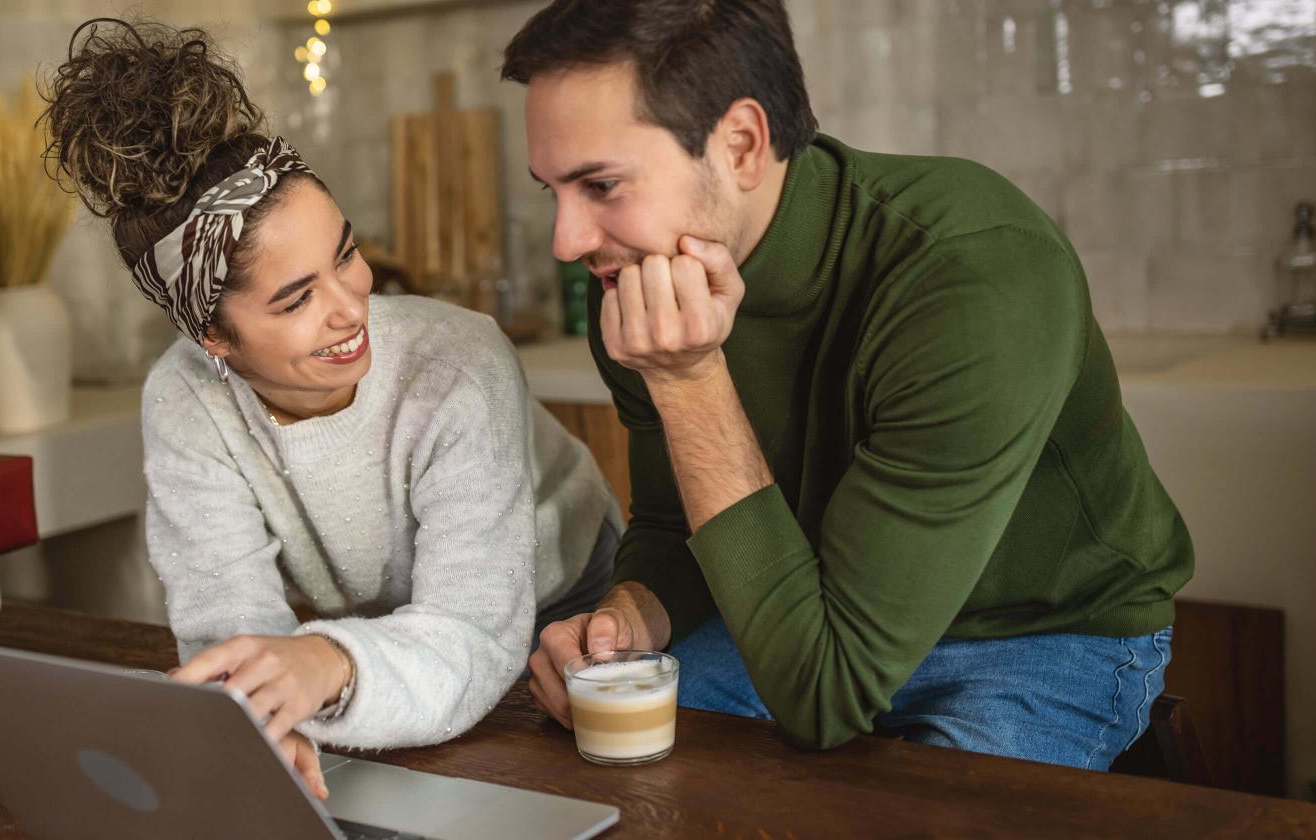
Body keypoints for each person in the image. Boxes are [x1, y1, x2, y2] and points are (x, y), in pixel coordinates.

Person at [507, 0, 1193, 771]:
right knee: (604, 768)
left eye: (600, 185)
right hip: (799, 614)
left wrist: (690, 380)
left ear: (740, 146)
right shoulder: (637, 285)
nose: (568, 240)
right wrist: (632, 612)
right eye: (551, 191)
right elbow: (675, 524)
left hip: (1038, 633)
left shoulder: (974, 274)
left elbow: (825, 696)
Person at [43, 18, 621, 797]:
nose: (351, 307)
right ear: (213, 335)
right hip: (384, 649)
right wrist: (264, 717)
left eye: (346, 254)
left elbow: (475, 632)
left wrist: (324, 666)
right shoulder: (183, 400)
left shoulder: (459, 363)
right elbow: (233, 627)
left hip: (562, 622)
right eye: (295, 299)